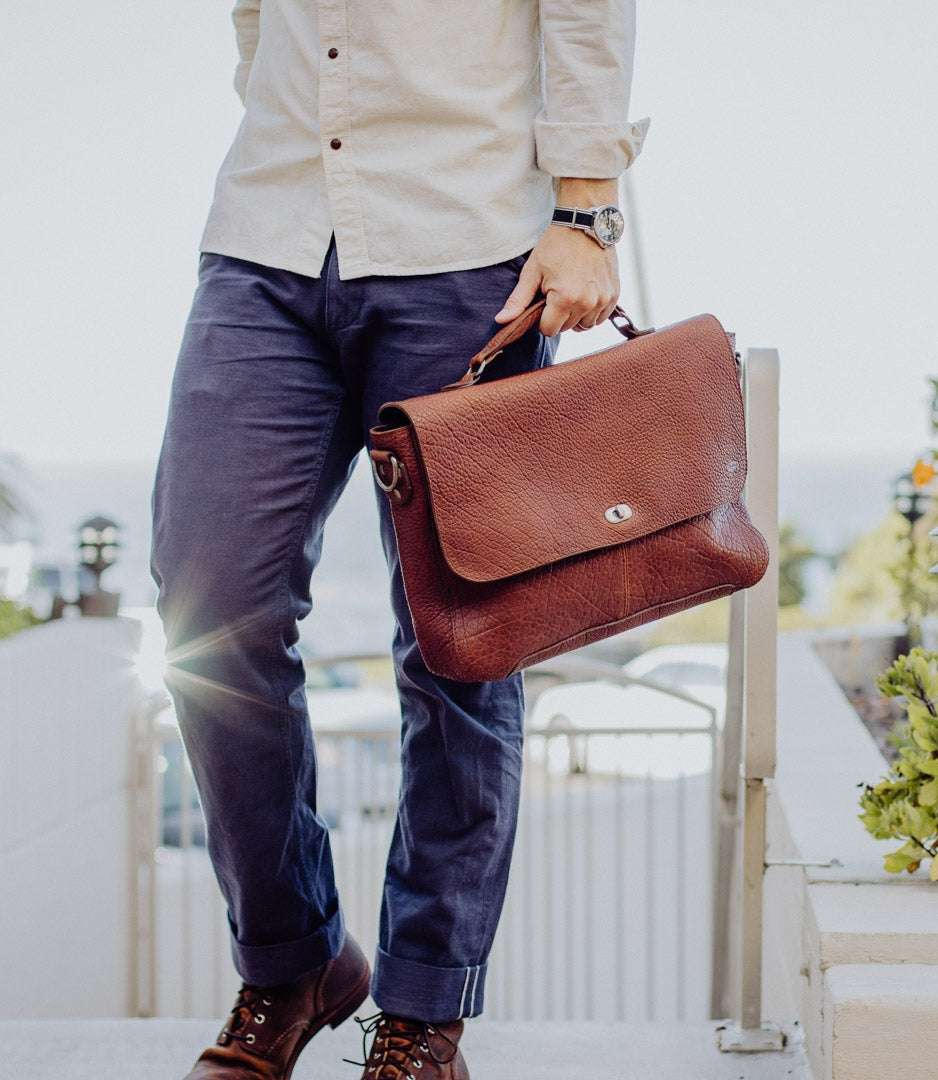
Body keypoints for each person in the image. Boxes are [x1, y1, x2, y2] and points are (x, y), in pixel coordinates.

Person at [151, 2, 648, 1078]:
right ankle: (293, 962)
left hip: (465, 245)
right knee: (206, 604)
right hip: (268, 234)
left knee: (458, 637)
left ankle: (424, 1012)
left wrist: (586, 208)